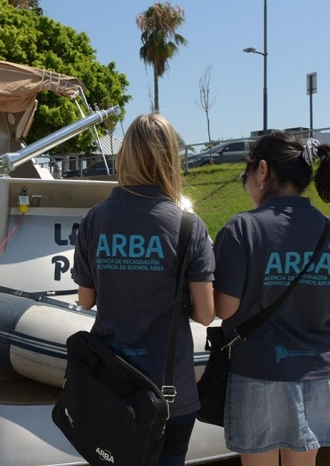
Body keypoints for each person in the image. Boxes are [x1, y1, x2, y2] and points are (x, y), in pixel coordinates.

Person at [72, 113, 216, 465]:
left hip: (111, 386)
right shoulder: (188, 226)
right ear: (170, 159)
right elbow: (206, 314)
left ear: (125, 157)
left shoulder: (95, 218)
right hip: (170, 390)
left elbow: (86, 300)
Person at [212, 133, 330, 466]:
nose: (247, 185)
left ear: (262, 171)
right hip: (318, 373)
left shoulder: (242, 229)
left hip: (258, 370)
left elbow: (224, 309)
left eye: (245, 177)